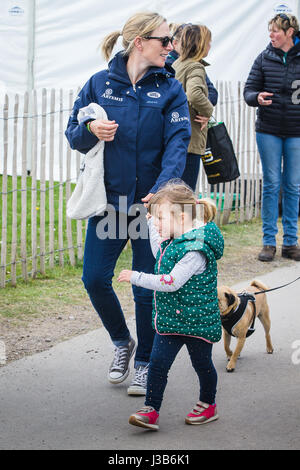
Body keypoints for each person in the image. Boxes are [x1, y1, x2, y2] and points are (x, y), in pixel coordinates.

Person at [65, 12, 191, 395]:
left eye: (171, 42)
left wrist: (164, 189)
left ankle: (145, 362)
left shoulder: (171, 89)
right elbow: (73, 133)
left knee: (145, 288)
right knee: (94, 278)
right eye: (165, 41)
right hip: (108, 204)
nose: (171, 47)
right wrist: (91, 129)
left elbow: (178, 141)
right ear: (140, 42)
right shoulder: (98, 85)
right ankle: (123, 342)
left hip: (149, 207)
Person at [118, 181, 224, 430]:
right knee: (157, 364)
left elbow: (172, 282)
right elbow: (160, 253)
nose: (157, 224)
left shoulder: (194, 250)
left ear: (183, 217)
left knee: (202, 365)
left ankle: (208, 404)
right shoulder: (177, 238)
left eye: (161, 219)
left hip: (197, 322)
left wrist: (137, 277)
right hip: (172, 320)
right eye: (156, 219)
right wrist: (149, 220)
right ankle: (150, 410)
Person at [244, 13, 300, 262]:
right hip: (268, 130)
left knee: (293, 186)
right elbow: (249, 90)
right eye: (270, 30)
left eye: (276, 30)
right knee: (271, 184)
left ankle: (290, 242)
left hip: (297, 132)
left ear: (290, 32)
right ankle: (268, 242)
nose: (271, 35)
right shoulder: (264, 58)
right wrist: (256, 98)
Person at [171, 24, 215, 192]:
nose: (210, 46)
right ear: (201, 44)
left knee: (172, 192)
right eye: (209, 42)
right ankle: (184, 219)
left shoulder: (177, 64)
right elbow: (194, 94)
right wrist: (208, 111)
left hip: (175, 136)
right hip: (190, 139)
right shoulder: (195, 66)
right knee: (186, 193)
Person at [166, 23, 218, 106]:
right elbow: (193, 96)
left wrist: (201, 108)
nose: (189, 45)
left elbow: (212, 93)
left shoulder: (195, 64)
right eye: (185, 41)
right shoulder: (167, 66)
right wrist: (205, 109)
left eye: (191, 41)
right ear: (175, 43)